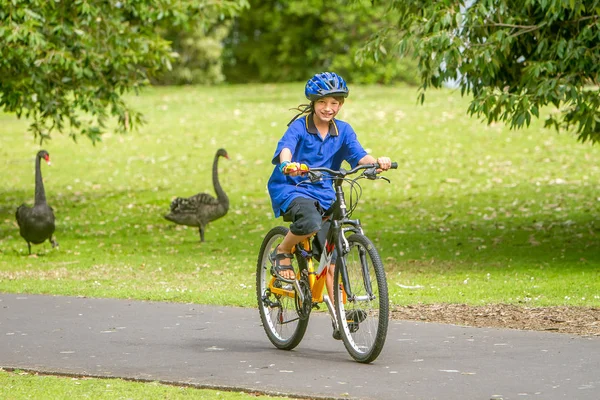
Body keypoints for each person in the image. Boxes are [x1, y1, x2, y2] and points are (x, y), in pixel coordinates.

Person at [267, 71, 392, 324]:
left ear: (341, 105)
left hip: (325, 192)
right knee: (310, 221)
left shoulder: (343, 131)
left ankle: (341, 319)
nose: (328, 108)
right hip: (294, 187)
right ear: (313, 103)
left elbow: (358, 154)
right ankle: (282, 250)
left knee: (332, 256)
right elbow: (286, 148)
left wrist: (375, 162)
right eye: (323, 102)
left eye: (334, 103)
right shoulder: (300, 126)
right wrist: (288, 164)